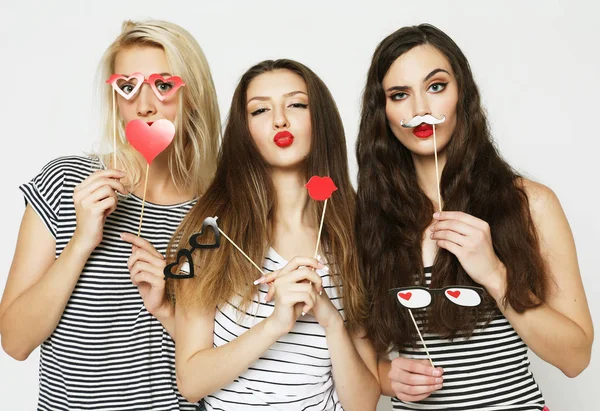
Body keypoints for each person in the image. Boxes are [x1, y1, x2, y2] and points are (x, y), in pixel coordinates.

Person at [355, 23, 593, 410]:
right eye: (400, 95)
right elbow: (357, 353)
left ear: (462, 92)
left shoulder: (530, 204)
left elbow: (576, 358)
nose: (420, 110)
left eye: (436, 87)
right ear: (382, 112)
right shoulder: (367, 219)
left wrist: (496, 274)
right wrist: (386, 376)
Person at [0, 19, 221, 411]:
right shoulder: (65, 182)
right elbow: (14, 342)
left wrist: (169, 306)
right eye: (127, 86)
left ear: (195, 94)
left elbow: (224, 365)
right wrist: (81, 241)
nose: (145, 103)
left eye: (164, 85)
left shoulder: (217, 217)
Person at [169, 59, 380, 411]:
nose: (280, 119)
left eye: (296, 104)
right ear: (243, 130)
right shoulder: (209, 232)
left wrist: (330, 320)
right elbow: (190, 383)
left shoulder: (354, 233)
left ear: (321, 120)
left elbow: (364, 405)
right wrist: (276, 324)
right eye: (260, 110)